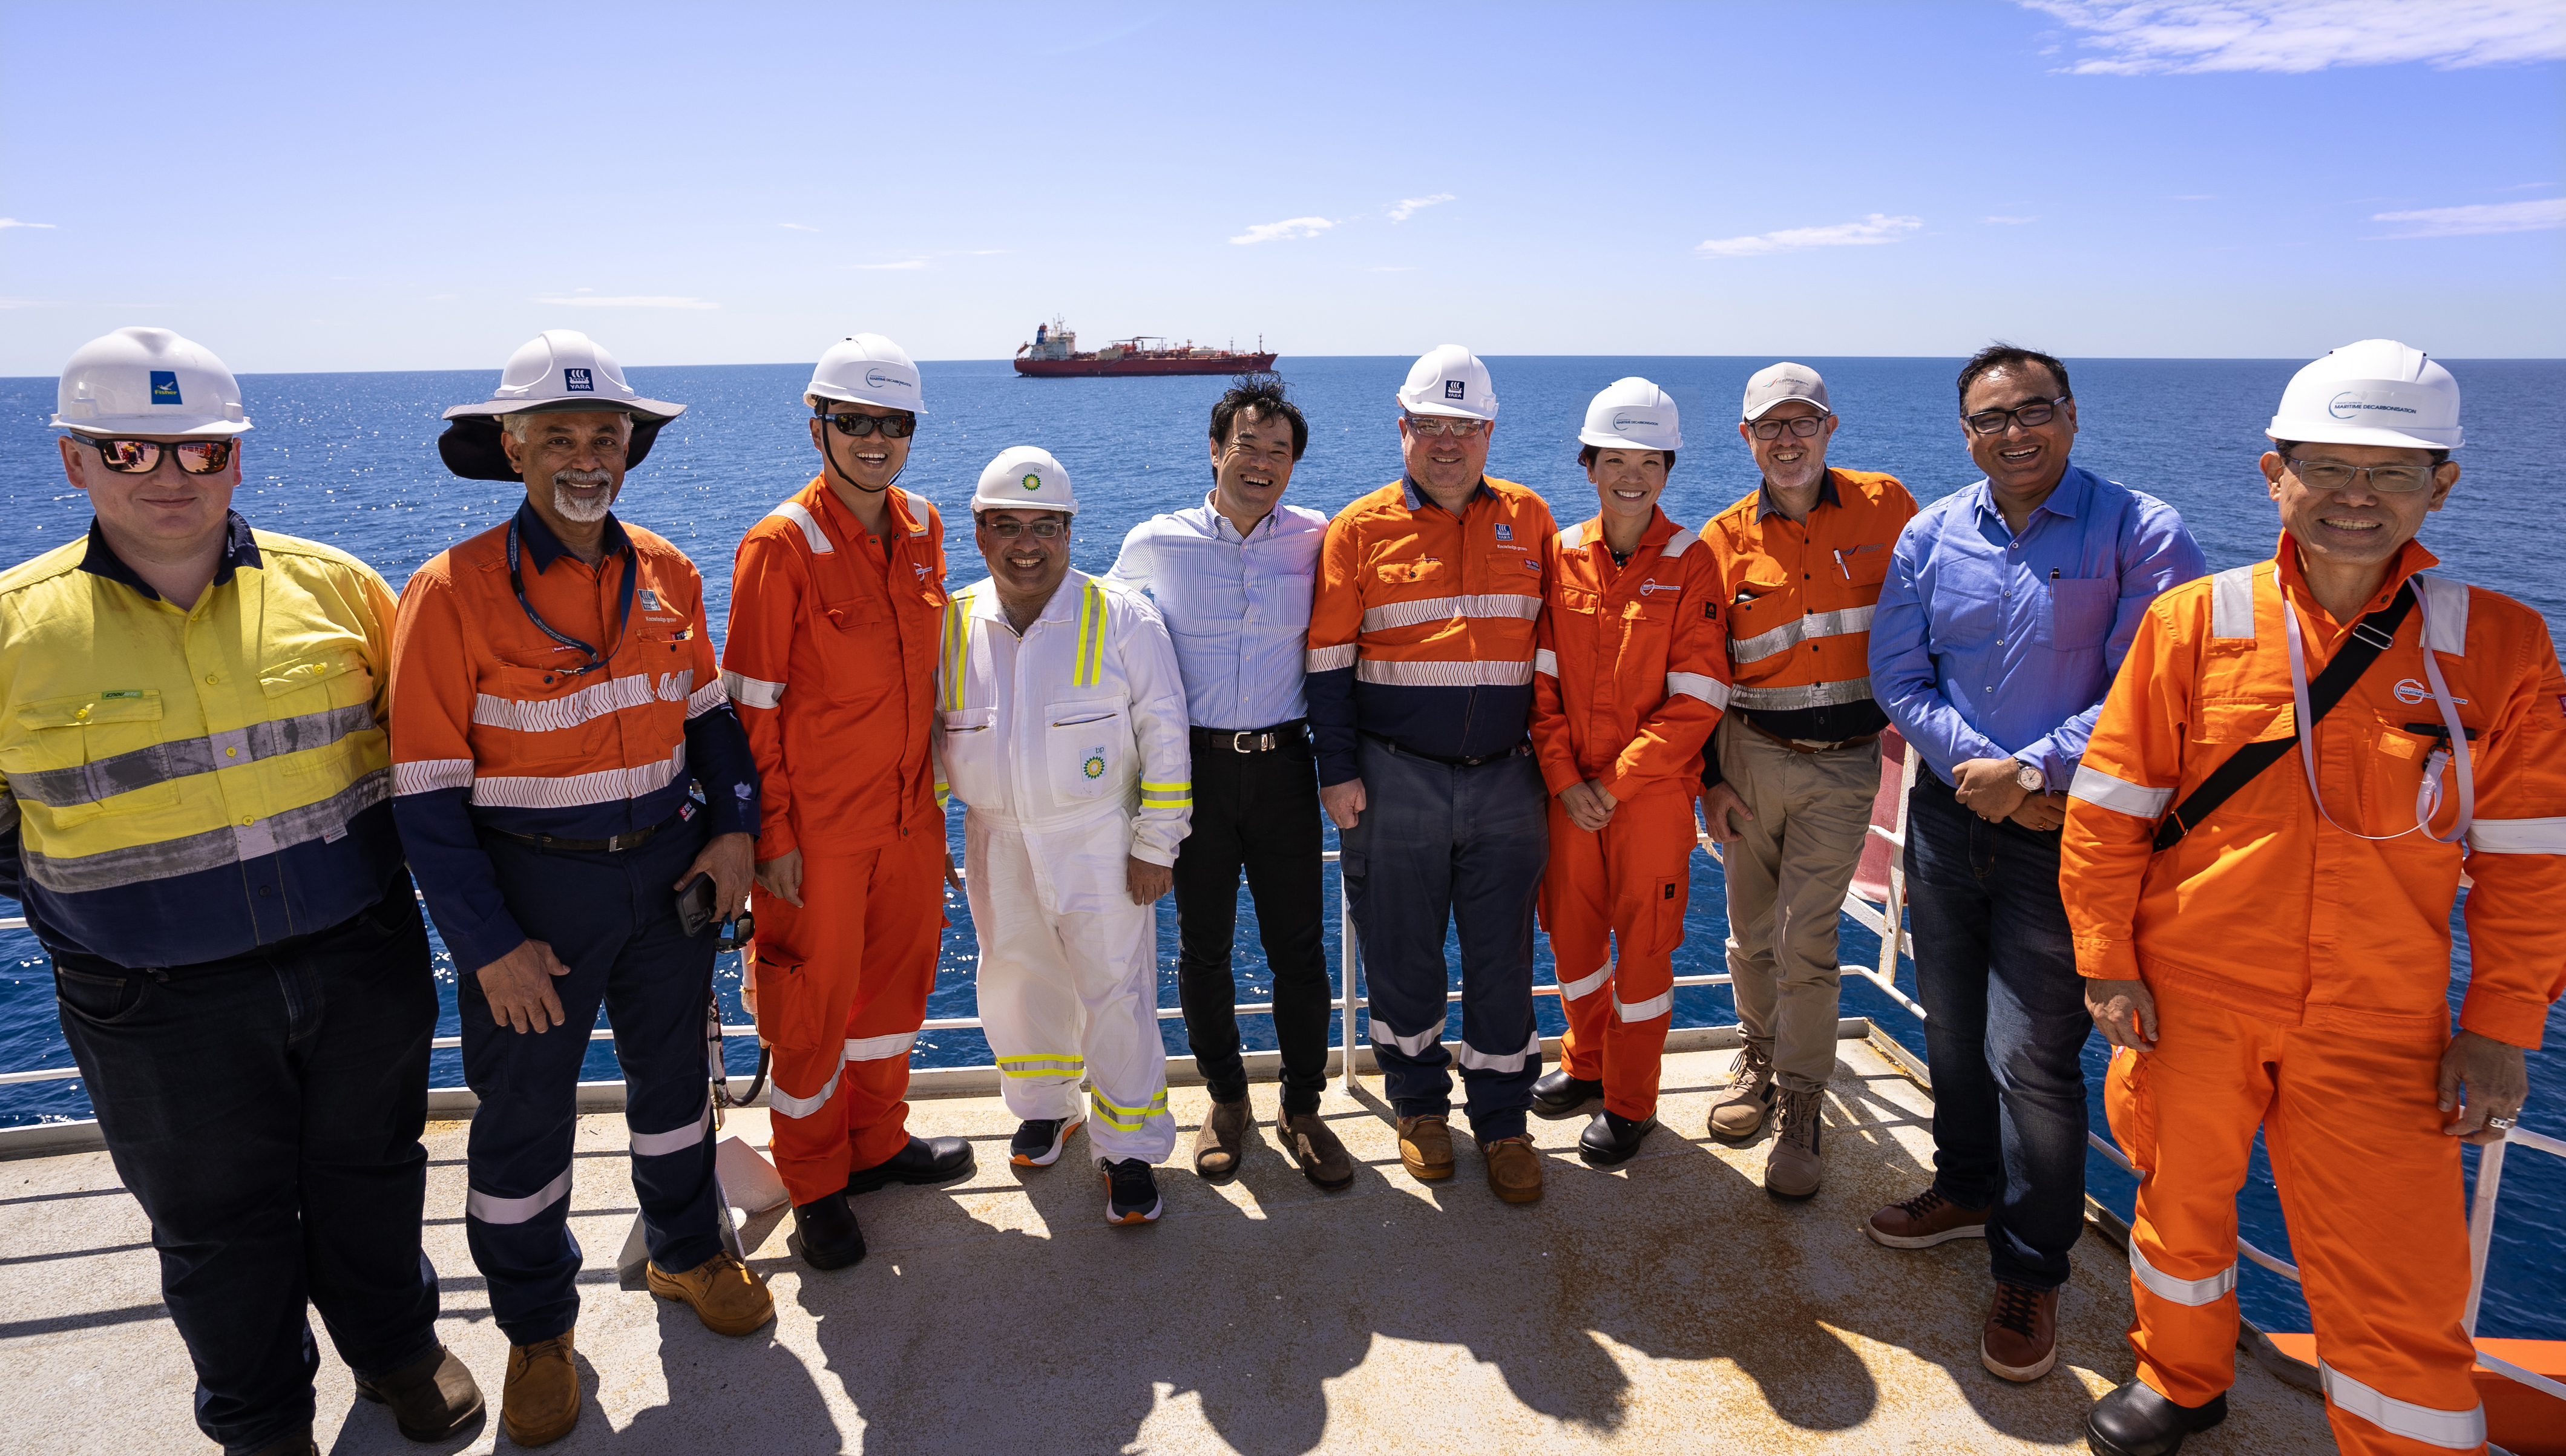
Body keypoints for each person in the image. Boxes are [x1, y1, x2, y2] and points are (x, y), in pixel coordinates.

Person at [2065, 341, 2565, 1456]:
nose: (2354, 496)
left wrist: (2500, 1026)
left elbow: (2532, 866)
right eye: (2326, 466)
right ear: (2272, 475)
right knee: (2180, 1210)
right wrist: (2107, 960)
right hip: (2191, 993)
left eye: (2391, 471)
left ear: (2443, 483)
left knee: (2400, 1274)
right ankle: (2180, 1378)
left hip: (2382, 1018)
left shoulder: (2500, 647)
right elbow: (2110, 807)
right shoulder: (2196, 624)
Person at [0, 328, 478, 1456]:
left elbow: (422, 761)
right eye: (130, 450)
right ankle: (262, 1423)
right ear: (75, 461)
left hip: (358, 957)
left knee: (372, 1172)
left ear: (239, 461)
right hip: (155, 1000)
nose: (170, 477)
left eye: (200, 451)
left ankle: (398, 1351)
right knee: (217, 1227)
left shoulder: (344, 590)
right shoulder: (16, 630)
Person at [389, 330, 771, 1447]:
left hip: (668, 881)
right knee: (519, 1132)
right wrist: (487, 945)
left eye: (604, 434)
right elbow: (423, 800)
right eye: (556, 435)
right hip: (531, 902)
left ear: (629, 449)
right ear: (512, 448)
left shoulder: (669, 571)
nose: (585, 454)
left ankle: (689, 1255)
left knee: (675, 1095)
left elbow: (711, 724)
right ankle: (537, 1330)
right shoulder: (448, 593)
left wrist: (736, 836)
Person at [1868, 344, 2206, 1385]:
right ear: (1965, 433)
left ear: (2071, 414)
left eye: (2033, 410)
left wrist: (2032, 768)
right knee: (1955, 1030)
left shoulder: (2141, 534)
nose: (2013, 433)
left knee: (2033, 1057)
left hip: (2068, 834)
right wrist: (1976, 765)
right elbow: (1897, 667)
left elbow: (2155, 683)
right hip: (1946, 815)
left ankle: (2031, 1267)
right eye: (1988, 419)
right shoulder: (1932, 533)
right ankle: (1966, 1185)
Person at [720, 335, 971, 1271]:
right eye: (855, 421)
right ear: (818, 423)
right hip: (815, 837)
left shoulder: (923, 527)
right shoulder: (779, 547)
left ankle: (876, 1143)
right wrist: (771, 838)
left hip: (908, 822)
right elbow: (751, 708)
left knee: (894, 997)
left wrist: (939, 809)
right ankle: (818, 1180)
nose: (874, 439)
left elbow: (928, 686)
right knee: (814, 1010)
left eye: (892, 423)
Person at [1306, 344, 1557, 1204]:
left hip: (1507, 778)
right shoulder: (1359, 528)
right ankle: (1418, 1106)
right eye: (1431, 425)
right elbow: (1329, 662)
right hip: (1393, 776)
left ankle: (1503, 1120)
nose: (1448, 442)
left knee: (1502, 956)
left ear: (1489, 431)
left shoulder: (1532, 518)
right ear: (1403, 427)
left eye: (1466, 426)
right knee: (1402, 952)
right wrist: (1335, 773)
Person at [938, 447, 1192, 1225]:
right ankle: (1047, 1106)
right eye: (1007, 525)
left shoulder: (1120, 615)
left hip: (1098, 842)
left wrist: (1158, 842)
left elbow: (1165, 731)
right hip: (997, 840)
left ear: (1070, 532)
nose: (1027, 542)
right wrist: (930, 835)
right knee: (1015, 979)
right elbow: (934, 741)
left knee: (1117, 995)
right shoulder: (952, 622)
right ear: (979, 533)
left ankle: (1130, 1151)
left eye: (1045, 525)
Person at [1111, 378, 1352, 1189]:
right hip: (1195, 774)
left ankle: (1304, 1106)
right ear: (1215, 451)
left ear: (1293, 465)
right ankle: (1225, 1100)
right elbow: (1114, 645)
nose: (1262, 461)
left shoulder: (1319, 537)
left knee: (1300, 952)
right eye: (1246, 445)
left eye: (1278, 450)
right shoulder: (1157, 540)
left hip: (1287, 766)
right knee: (1203, 949)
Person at [1696, 363, 1917, 1199]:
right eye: (1770, 427)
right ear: (1746, 439)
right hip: (1748, 758)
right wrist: (1709, 784)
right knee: (1750, 934)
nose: (1788, 441)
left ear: (1831, 428)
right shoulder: (1721, 540)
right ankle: (1756, 1053)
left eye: (1804, 423)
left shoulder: (1887, 505)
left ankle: (1800, 1101)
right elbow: (1702, 675)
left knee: (1804, 941)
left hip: (1846, 763)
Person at [1527, 379, 1730, 1167]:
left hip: (1645, 800)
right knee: (1573, 939)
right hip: (1569, 794)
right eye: (1615, 459)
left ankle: (1630, 1100)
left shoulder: (1693, 564)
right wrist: (1562, 777)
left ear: (1668, 467)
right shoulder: (1562, 556)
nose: (1631, 476)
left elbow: (1699, 697)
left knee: (1643, 954)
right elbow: (1540, 683)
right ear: (1589, 465)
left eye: (1649, 461)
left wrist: (1612, 784)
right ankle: (1583, 1064)